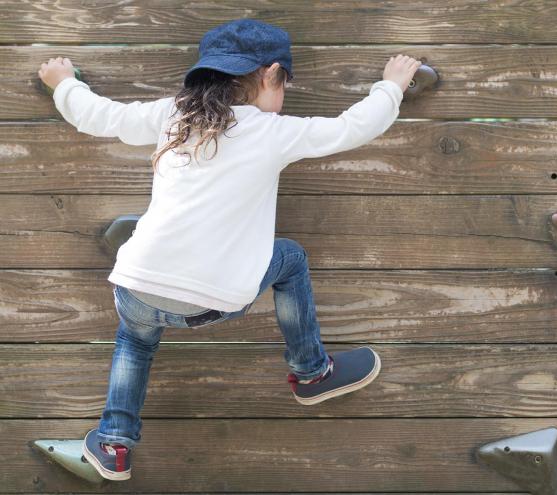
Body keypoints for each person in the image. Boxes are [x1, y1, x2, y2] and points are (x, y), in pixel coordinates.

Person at [38, 18, 421, 481]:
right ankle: (312, 372)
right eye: (285, 86)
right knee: (291, 258)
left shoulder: (172, 115)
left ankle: (115, 444)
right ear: (270, 74)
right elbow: (351, 128)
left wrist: (63, 83)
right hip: (214, 300)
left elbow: (101, 116)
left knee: (134, 342)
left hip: (138, 286)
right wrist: (392, 84)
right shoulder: (272, 131)